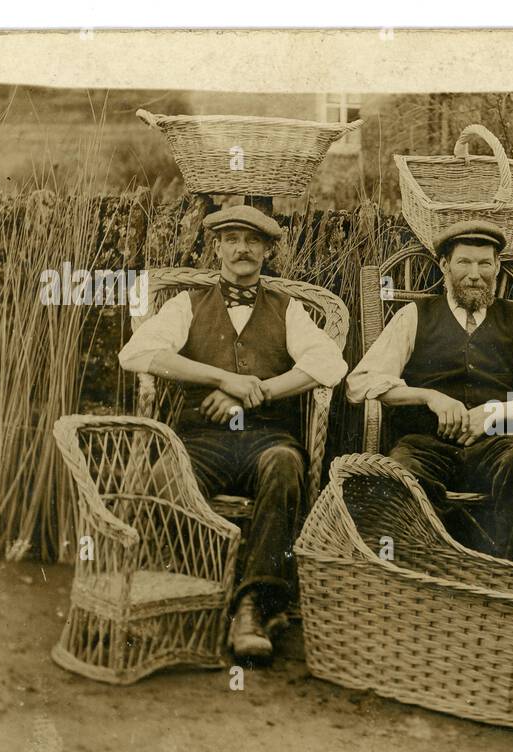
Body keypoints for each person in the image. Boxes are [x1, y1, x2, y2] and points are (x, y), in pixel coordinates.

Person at [118, 204, 348, 664]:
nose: (241, 248)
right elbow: (137, 352)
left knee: (286, 467)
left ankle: (254, 607)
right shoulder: (186, 304)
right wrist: (220, 379)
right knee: (166, 477)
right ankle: (193, 594)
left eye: (252, 240)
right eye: (232, 239)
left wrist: (252, 394)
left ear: (267, 251)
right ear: (217, 247)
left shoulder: (289, 309)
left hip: (266, 438)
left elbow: (329, 365)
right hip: (203, 439)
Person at [345, 220, 513, 567]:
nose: (475, 274)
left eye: (484, 263)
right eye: (464, 262)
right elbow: (360, 382)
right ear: (445, 266)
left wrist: (494, 414)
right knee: (402, 474)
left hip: (497, 446)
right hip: (424, 445)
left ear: (497, 267)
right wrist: (429, 397)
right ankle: (425, 578)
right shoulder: (414, 316)